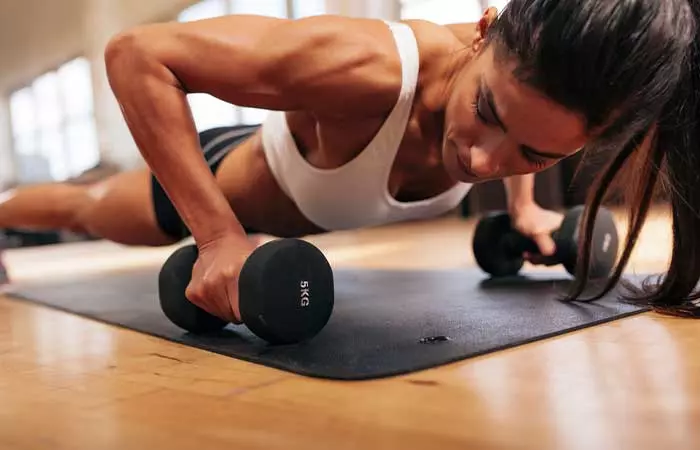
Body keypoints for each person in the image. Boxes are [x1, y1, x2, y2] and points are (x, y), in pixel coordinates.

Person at [3, 0, 699, 321]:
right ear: (484, 30)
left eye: (535, 152)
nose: (483, 160)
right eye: (485, 112)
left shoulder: (531, 102)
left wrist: (524, 209)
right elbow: (137, 53)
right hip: (232, 183)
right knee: (87, 208)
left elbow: (517, 128)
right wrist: (216, 237)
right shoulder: (362, 67)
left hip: (294, 226)